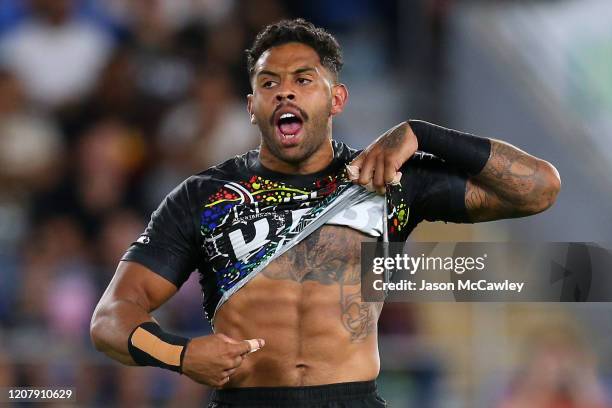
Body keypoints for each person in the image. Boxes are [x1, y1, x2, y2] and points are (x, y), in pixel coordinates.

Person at [90, 18, 561, 407]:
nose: (285, 94)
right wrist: (179, 353)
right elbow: (110, 318)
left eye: (303, 80)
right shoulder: (205, 196)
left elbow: (539, 189)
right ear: (252, 107)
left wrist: (425, 134)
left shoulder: (387, 179)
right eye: (268, 83)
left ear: (336, 99)